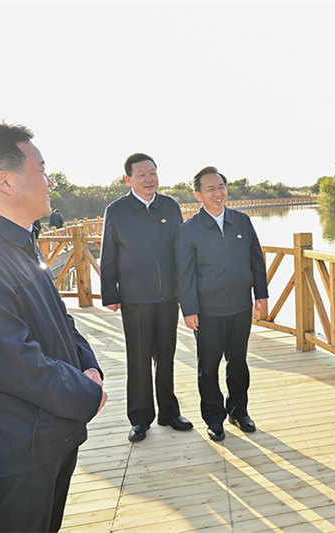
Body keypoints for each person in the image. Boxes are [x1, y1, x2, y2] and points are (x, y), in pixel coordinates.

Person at [0, 122, 107, 532]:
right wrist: (86, 392)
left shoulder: (20, 239)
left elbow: (60, 318)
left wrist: (90, 364)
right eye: (42, 170)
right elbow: (9, 359)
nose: (50, 181)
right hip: (14, 456)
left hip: (51, 440)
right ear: (6, 181)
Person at [100, 153, 193, 442]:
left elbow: (182, 252)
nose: (149, 179)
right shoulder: (117, 211)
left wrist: (185, 293)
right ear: (129, 179)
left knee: (166, 356)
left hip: (168, 297)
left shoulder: (170, 206)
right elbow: (108, 255)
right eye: (141, 174)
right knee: (138, 359)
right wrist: (109, 294)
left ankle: (169, 412)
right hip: (135, 298)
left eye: (152, 173)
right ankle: (140, 418)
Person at [176, 166, 268, 442]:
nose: (218, 193)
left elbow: (256, 259)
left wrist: (260, 293)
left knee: (238, 363)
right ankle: (214, 419)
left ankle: (239, 412)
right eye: (211, 189)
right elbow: (184, 273)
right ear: (198, 195)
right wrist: (189, 309)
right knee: (208, 367)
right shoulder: (190, 229)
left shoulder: (241, 221)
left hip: (240, 307)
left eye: (221, 187)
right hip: (207, 312)